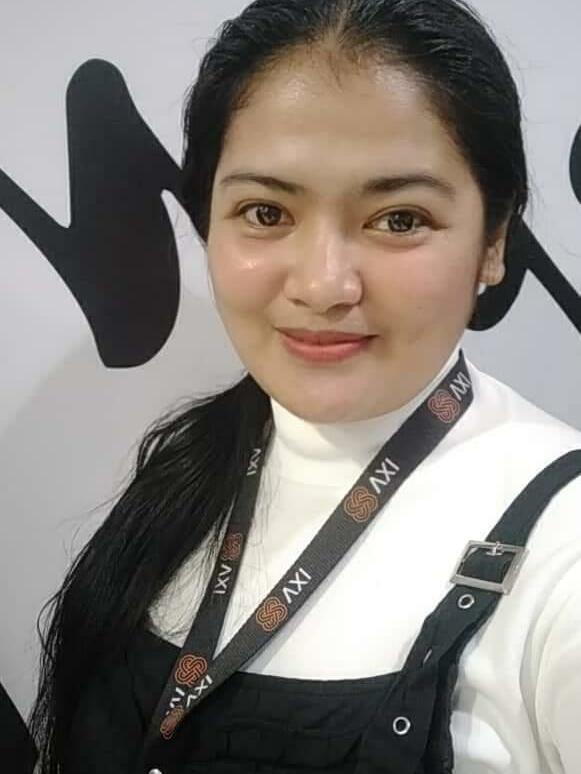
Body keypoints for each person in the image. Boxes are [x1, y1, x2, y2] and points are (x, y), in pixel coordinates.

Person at [30, 0, 581, 772]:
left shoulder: (563, 554)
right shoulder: (186, 464)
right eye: (265, 211)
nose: (323, 285)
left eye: (398, 219)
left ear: (493, 241)